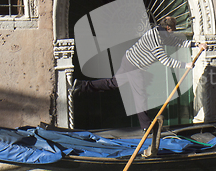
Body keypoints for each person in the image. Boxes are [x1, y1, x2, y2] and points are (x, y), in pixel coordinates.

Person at [72, 16, 207, 130]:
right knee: (140, 94)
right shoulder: (155, 38)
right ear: (168, 28)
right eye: (172, 30)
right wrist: (186, 65)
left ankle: (82, 85)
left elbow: (176, 42)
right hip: (134, 66)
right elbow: (165, 60)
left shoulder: (161, 34)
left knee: (113, 83)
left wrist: (196, 45)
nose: (172, 33)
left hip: (128, 60)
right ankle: (146, 126)